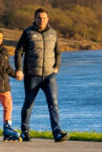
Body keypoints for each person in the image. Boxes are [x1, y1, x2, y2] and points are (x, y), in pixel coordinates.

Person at [14, 8, 70, 142]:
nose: (41, 20)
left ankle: (57, 133)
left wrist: (57, 67)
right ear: (34, 19)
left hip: (50, 76)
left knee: (53, 103)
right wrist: (19, 69)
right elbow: (18, 52)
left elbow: (58, 53)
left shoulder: (53, 33)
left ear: (48, 19)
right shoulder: (28, 33)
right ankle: (25, 131)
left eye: (44, 18)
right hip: (32, 75)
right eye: (39, 18)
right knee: (29, 103)